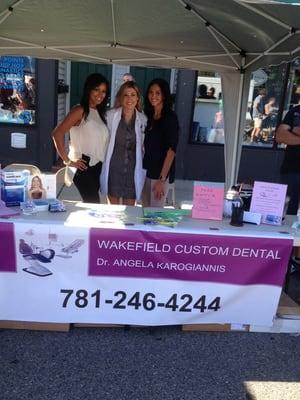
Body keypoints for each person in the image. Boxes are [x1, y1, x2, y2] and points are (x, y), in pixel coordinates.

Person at [52, 73, 109, 203]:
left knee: (92, 206)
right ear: (89, 89)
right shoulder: (80, 110)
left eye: (104, 91)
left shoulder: (100, 113)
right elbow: (57, 133)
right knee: (93, 204)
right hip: (83, 165)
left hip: (98, 166)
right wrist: (67, 161)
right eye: (96, 89)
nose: (100, 94)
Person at [100, 81, 147, 206]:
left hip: (132, 172)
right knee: (113, 212)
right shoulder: (110, 116)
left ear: (138, 98)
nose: (129, 98)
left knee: (130, 211)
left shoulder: (143, 119)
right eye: (126, 95)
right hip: (113, 170)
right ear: (121, 98)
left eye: (133, 94)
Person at [142, 78, 179, 207]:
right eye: (151, 92)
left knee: (155, 217)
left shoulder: (170, 118)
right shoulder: (147, 115)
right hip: (145, 172)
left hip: (160, 175)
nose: (153, 96)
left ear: (164, 95)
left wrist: (162, 180)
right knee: (144, 213)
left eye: (158, 93)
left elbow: (171, 151)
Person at [275, 103, 300, 215]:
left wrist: (294, 132)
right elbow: (280, 136)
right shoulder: (296, 112)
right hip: (291, 170)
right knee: (286, 212)